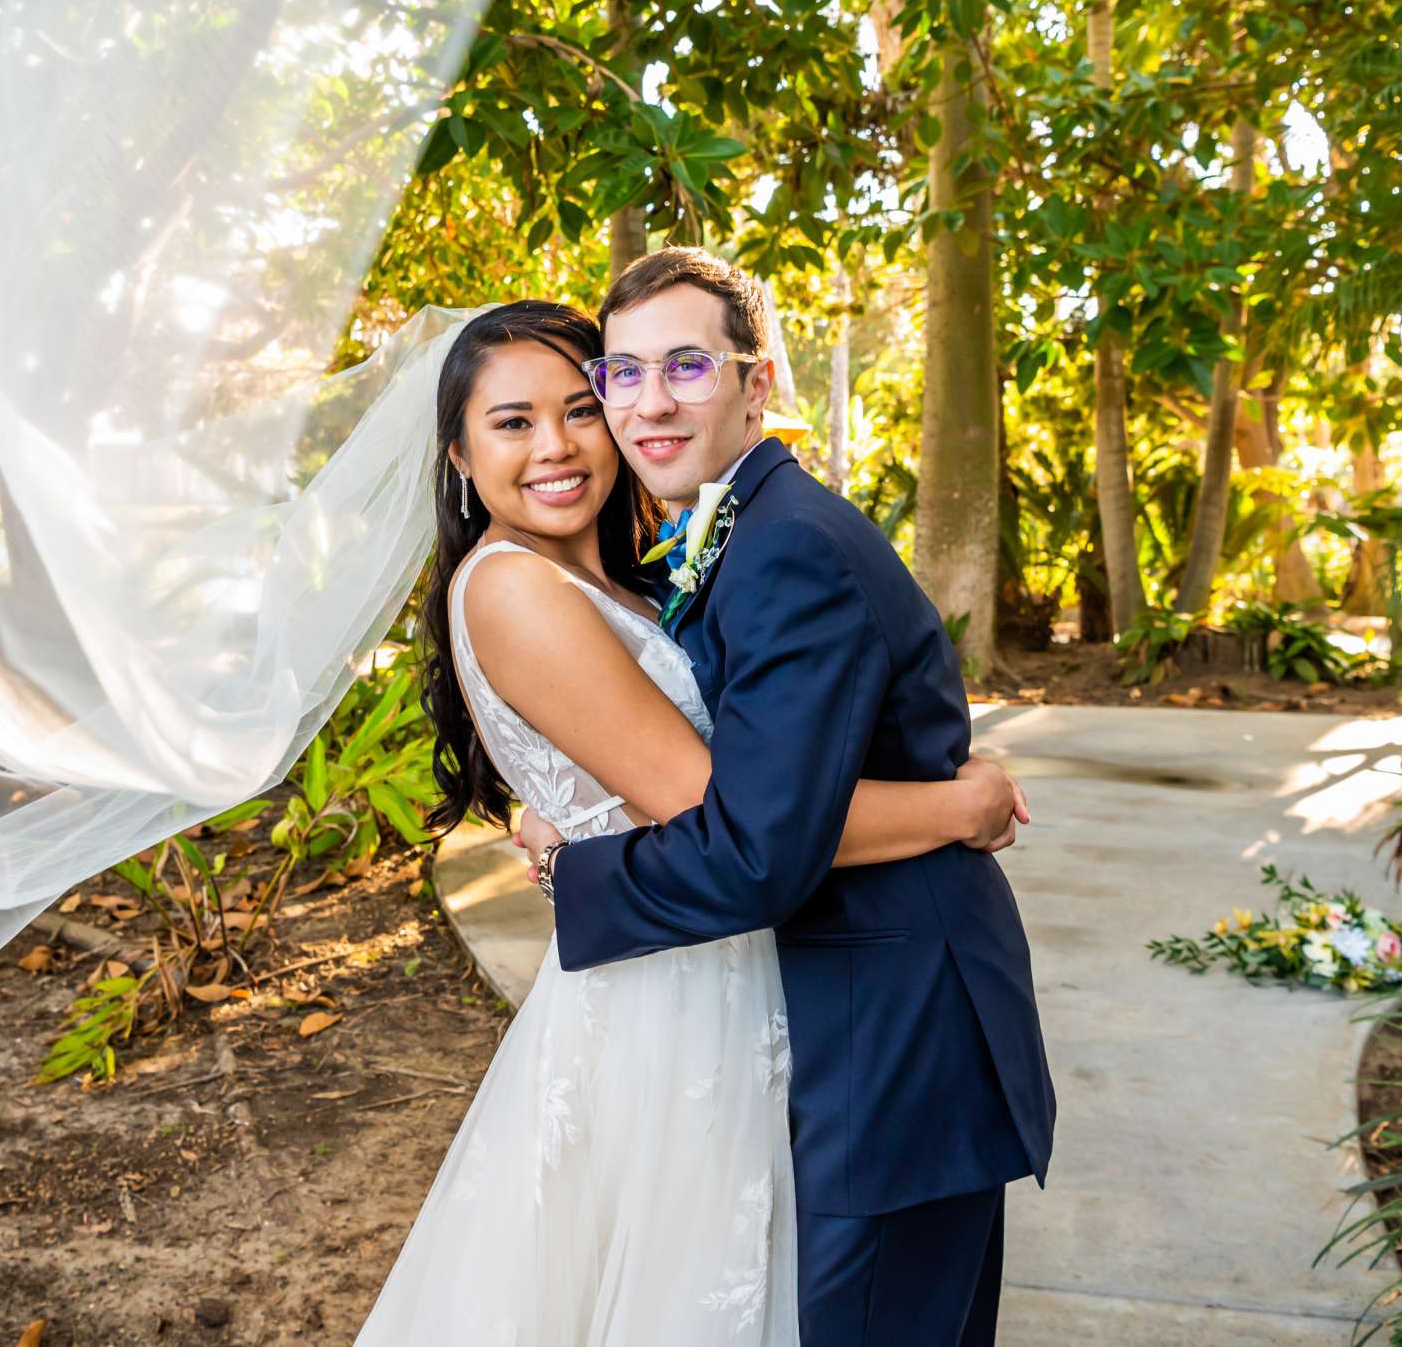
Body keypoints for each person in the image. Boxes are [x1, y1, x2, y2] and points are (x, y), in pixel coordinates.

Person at [358, 300, 1028, 1346]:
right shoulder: (514, 589)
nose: (558, 447)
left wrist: (568, 834)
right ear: (457, 450)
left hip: (719, 976)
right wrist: (958, 806)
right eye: (513, 423)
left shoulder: (615, 571)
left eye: (582, 407)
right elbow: (737, 819)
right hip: (670, 1004)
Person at [528, 250, 1057, 1345]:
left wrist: (577, 864)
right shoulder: (735, 531)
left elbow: (761, 850)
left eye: (686, 365)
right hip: (867, 1015)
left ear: (756, 382)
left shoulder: (787, 551)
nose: (649, 401)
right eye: (620, 373)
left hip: (892, 1041)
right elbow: (768, 781)